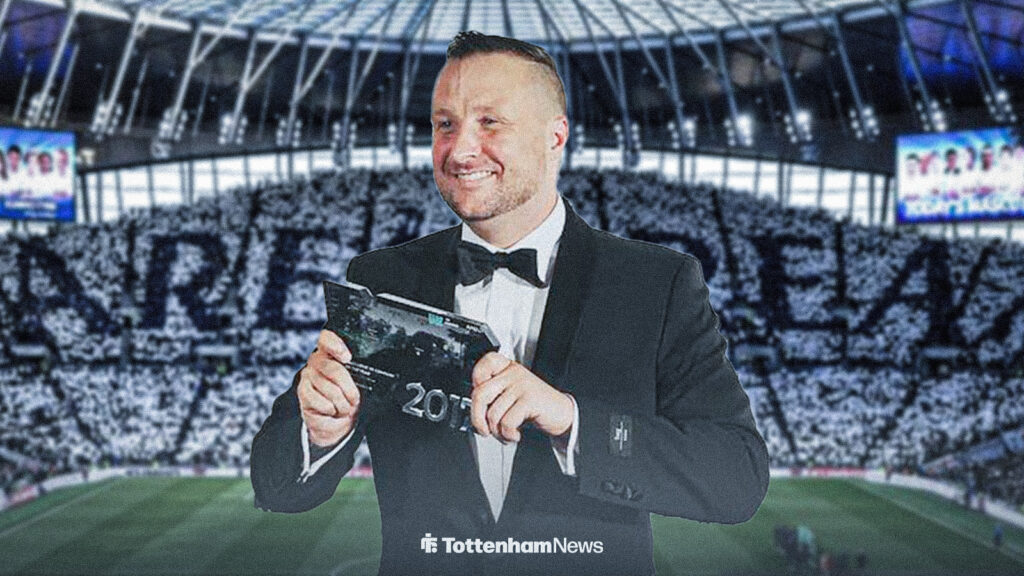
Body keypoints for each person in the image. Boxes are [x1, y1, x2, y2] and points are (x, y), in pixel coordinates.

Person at [251, 31, 769, 576]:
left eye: (490, 122)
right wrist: (320, 432)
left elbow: (736, 476)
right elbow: (276, 485)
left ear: (555, 135)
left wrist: (571, 421)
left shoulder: (655, 284)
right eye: (445, 124)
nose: (460, 151)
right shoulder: (382, 279)